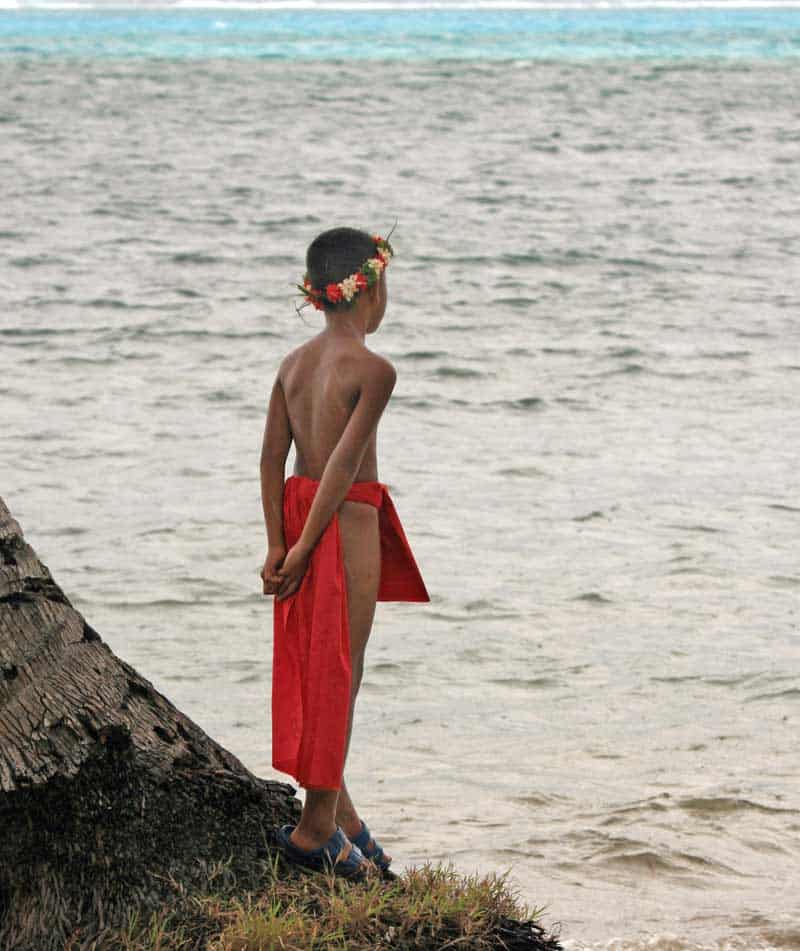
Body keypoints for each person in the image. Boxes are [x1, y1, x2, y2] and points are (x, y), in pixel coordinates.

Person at [259, 227, 429, 879]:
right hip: (343, 516)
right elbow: (343, 465)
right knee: (342, 669)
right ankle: (316, 828)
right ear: (372, 290)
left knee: (316, 664)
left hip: (300, 511)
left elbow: (274, 457)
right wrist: (303, 548)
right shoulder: (374, 370)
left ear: (315, 294)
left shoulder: (292, 366)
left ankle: (343, 816)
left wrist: (278, 540)